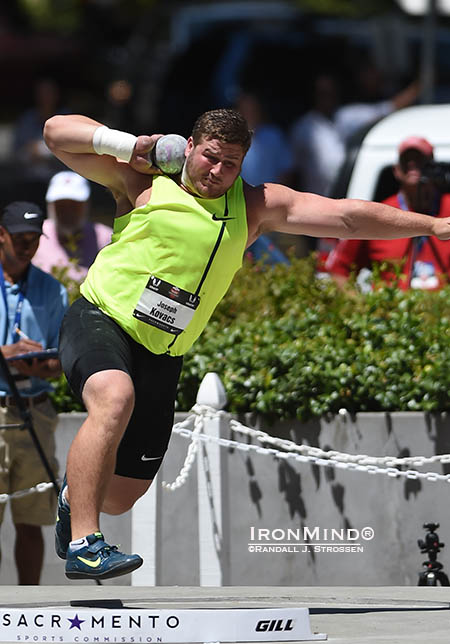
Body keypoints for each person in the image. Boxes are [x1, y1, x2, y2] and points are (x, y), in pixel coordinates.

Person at [43, 109, 450, 581]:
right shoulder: (144, 180)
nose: (216, 172)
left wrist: (432, 226)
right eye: (210, 158)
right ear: (189, 146)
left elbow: (344, 216)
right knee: (114, 398)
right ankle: (85, 544)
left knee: (120, 496)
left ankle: (76, 497)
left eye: (230, 164)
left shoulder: (255, 205)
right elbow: (57, 134)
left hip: (162, 351)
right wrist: (124, 144)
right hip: (101, 317)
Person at [0, 201, 68, 584]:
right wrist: (4, 354)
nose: (28, 245)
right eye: (20, 237)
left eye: (34, 238)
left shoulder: (51, 289)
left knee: (33, 521)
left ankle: (29, 608)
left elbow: (61, 362)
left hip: (35, 410)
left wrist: (44, 365)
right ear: (1, 235)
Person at [325, 136, 450, 290]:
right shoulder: (379, 214)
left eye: (420, 160)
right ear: (396, 170)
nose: (413, 165)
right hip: (392, 311)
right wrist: (361, 308)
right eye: (407, 161)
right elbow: (339, 269)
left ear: (434, 167)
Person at [33, 171, 112, 281]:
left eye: (74, 205)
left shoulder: (106, 239)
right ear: (50, 206)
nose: (68, 211)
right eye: (61, 205)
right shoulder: (33, 236)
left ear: (86, 205)